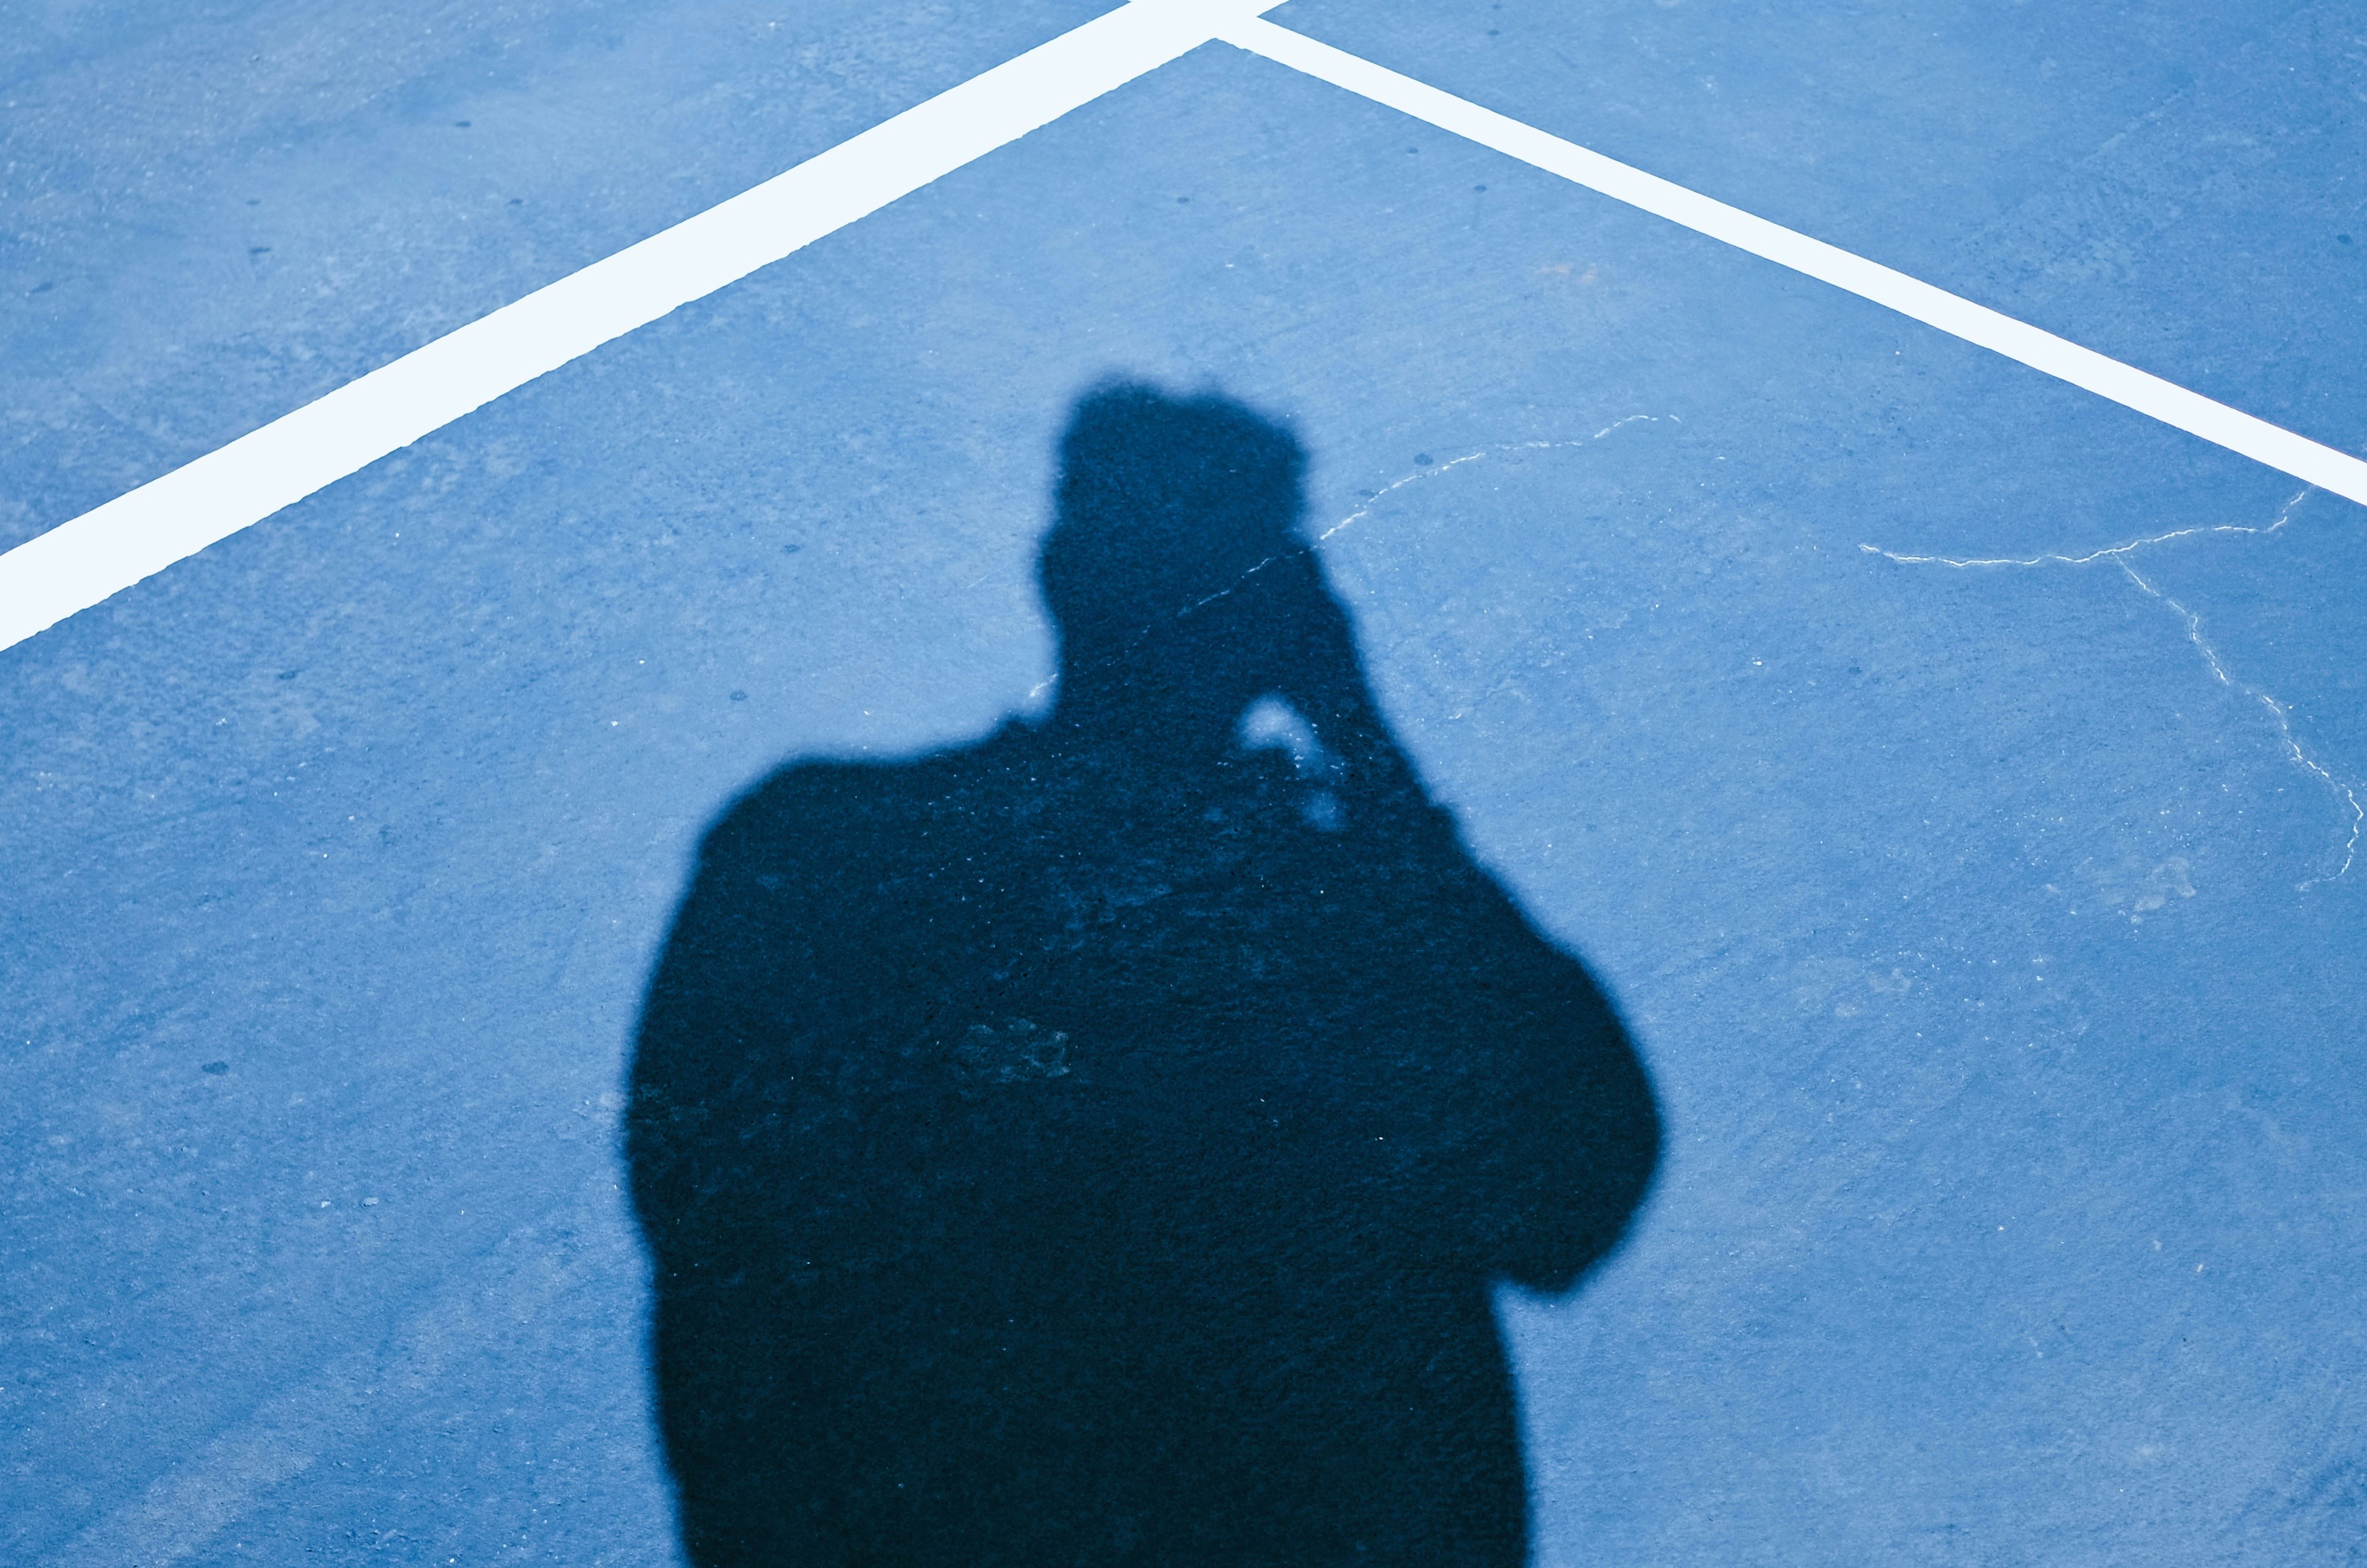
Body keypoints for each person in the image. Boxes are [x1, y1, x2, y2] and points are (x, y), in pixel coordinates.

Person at [626, 384, 1660, 1565]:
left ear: (1058, 572)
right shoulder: (1344, 923)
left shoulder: (824, 852)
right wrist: (1368, 756)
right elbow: (1572, 1196)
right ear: (1288, 614)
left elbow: (705, 1208)